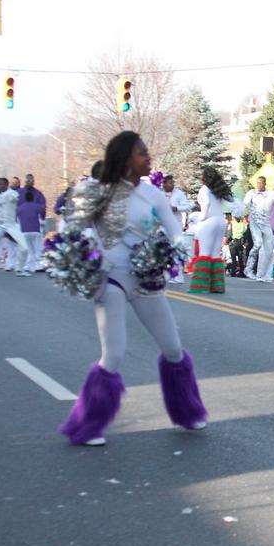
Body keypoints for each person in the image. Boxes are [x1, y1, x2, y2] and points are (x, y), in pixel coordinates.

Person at [59, 131, 207, 446]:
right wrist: (86, 255)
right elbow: (69, 231)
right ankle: (87, 425)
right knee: (113, 354)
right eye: (142, 153)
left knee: (173, 349)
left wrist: (173, 251)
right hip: (110, 279)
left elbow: (175, 232)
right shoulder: (94, 191)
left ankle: (187, 410)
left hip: (147, 279)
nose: (148, 158)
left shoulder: (153, 194)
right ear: (126, 159)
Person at [188, 167, 233, 294]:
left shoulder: (205, 189)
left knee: (204, 254)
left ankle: (199, 285)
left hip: (208, 222)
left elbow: (206, 203)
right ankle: (217, 285)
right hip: (220, 221)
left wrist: (201, 217)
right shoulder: (219, 190)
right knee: (215, 254)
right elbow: (233, 200)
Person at [243, 176, 274, 282]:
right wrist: (242, 211)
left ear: (265, 184)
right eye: (257, 183)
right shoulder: (252, 193)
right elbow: (245, 204)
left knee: (268, 248)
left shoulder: (270, 193)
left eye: (261, 183)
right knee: (258, 243)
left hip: (266, 223)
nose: (259, 185)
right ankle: (248, 268)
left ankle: (263, 274)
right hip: (255, 222)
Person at [16, 182, 45, 276]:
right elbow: (42, 216)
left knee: (28, 249)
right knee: (37, 249)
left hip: (24, 231)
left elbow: (16, 219)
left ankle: (27, 266)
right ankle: (37, 265)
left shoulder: (20, 208)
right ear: (32, 198)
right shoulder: (38, 206)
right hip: (36, 230)